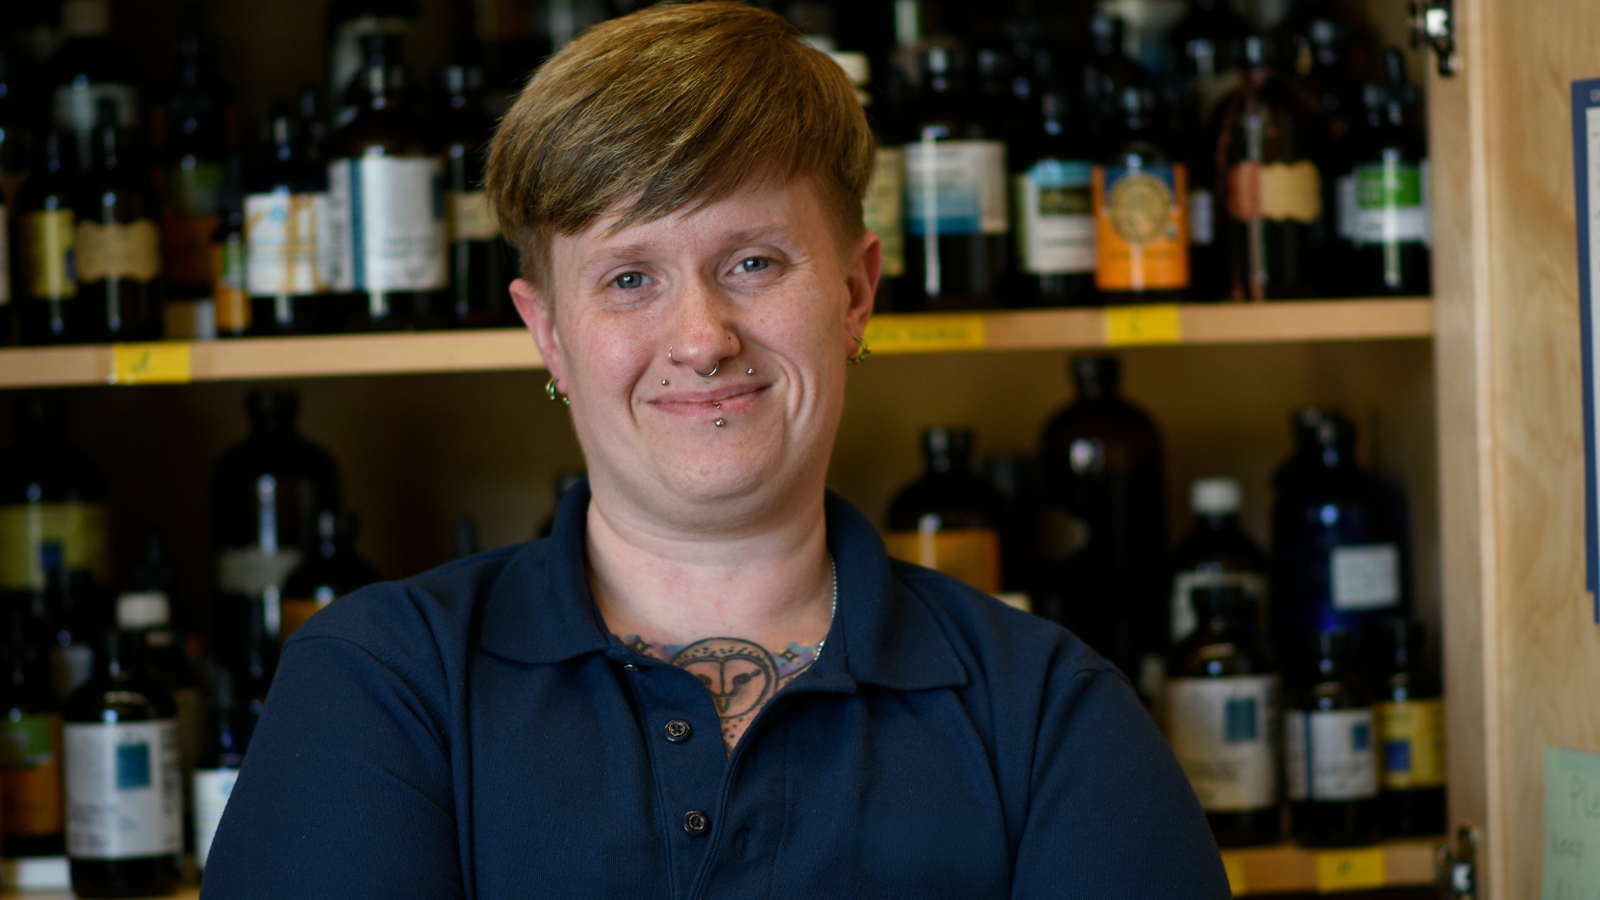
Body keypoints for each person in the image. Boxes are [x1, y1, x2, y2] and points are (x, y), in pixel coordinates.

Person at [201, 4, 1231, 897]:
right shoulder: (381, 684)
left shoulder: (1051, 715)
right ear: (547, 330)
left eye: (752, 261)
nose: (701, 339)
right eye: (628, 279)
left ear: (855, 294)